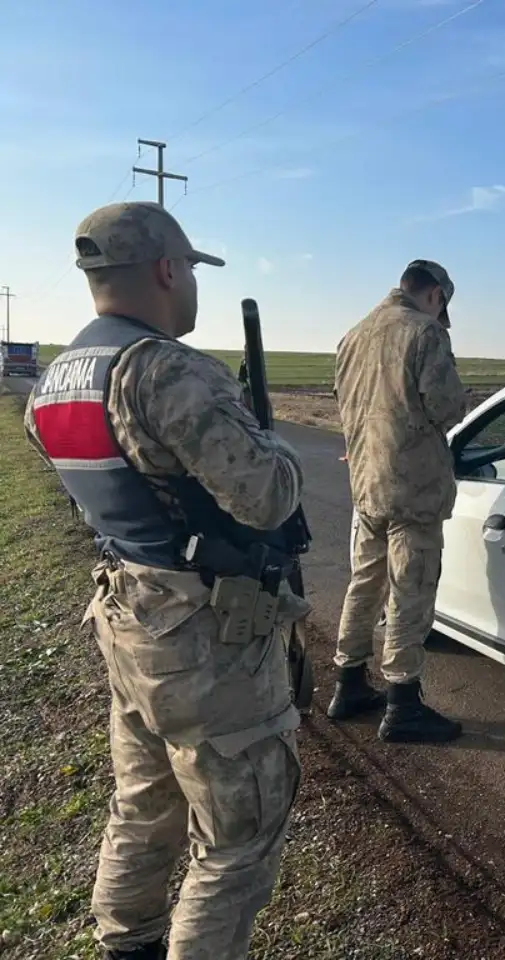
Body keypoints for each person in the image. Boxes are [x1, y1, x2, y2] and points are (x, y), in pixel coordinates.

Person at [23, 201, 307, 960]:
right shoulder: (165, 370)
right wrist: (271, 444)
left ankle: (126, 944)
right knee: (236, 841)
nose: (191, 288)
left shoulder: (54, 381)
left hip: (129, 617)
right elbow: (266, 495)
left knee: (144, 805)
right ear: (166, 269)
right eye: (188, 271)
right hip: (204, 637)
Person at [329, 259, 468, 742]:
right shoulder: (426, 334)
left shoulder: (353, 336)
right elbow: (447, 405)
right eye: (442, 305)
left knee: (365, 582)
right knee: (410, 588)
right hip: (414, 489)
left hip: (367, 484)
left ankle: (347, 684)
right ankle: (403, 704)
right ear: (436, 295)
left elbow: (345, 407)